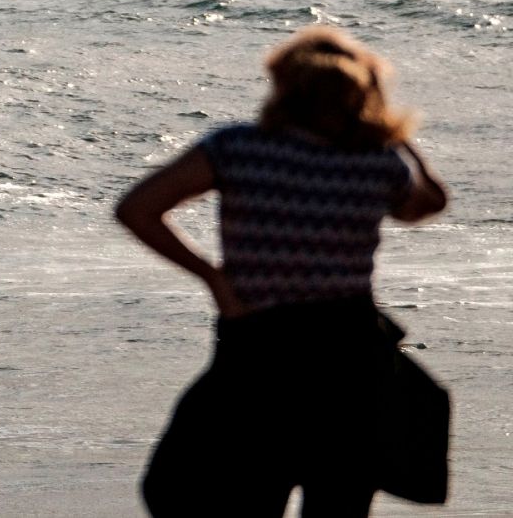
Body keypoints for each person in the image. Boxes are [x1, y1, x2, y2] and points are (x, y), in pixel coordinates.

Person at [115, 26, 448, 517]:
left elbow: (137, 209)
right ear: (361, 90)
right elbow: (428, 204)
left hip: (259, 349)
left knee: (200, 489)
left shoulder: (237, 148)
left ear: (283, 86)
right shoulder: (376, 163)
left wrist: (214, 277)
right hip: (351, 355)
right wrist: (394, 133)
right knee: (337, 504)